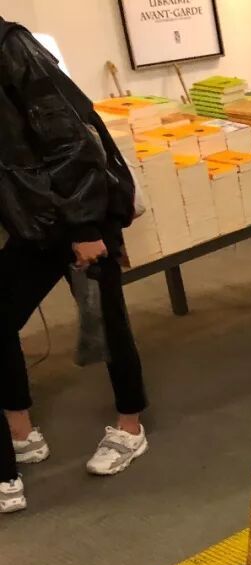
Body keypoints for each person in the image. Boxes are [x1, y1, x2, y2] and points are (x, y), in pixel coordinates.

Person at [0, 18, 149, 514]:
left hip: (78, 213)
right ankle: (21, 432)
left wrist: (86, 228)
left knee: (105, 319)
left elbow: (69, 140)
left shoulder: (12, 47)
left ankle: (130, 426)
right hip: (34, 219)